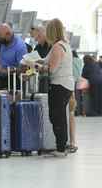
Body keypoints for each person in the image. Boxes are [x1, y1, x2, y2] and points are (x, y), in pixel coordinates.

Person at [38, 19, 74, 157]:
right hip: (66, 85)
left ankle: (61, 148)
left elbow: (51, 69)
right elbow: (46, 60)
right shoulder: (63, 45)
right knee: (58, 116)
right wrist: (37, 61)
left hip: (60, 85)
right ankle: (61, 146)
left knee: (57, 116)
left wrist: (38, 67)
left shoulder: (58, 47)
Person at [0, 23, 27, 90]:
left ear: (8, 34)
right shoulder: (1, 42)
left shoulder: (20, 47)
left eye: (1, 38)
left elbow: (23, 69)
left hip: (13, 80)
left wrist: (5, 70)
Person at [67, 50, 83, 153]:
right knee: (71, 115)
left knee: (68, 115)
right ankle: (72, 142)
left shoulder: (68, 61)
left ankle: (69, 142)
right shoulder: (79, 62)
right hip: (72, 90)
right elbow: (77, 77)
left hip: (65, 89)